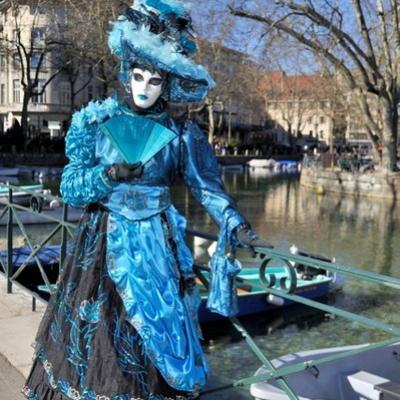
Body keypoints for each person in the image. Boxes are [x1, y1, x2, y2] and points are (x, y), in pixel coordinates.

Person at [22, 1, 269, 399]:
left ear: (166, 82)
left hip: (157, 248)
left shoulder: (181, 134)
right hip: (103, 244)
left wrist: (235, 222)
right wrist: (109, 175)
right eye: (138, 76)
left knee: (158, 332)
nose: (143, 87)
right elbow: (69, 186)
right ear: (126, 73)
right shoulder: (95, 122)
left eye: (154, 80)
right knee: (102, 335)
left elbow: (206, 187)